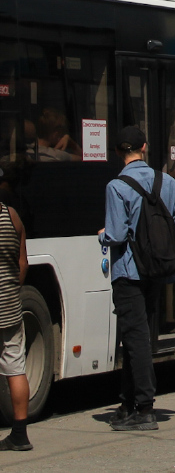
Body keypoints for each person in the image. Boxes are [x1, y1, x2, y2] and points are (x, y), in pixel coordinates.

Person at [100, 126, 175, 432]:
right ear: (145, 147)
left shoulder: (116, 186)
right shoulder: (167, 182)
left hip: (128, 271)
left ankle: (145, 408)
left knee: (134, 338)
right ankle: (126, 406)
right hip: (157, 270)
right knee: (137, 336)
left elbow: (115, 234)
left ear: (117, 152)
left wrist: (103, 235)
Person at [0, 176, 30, 452]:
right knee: (15, 367)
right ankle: (19, 434)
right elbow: (23, 264)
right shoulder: (13, 217)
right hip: (9, 306)